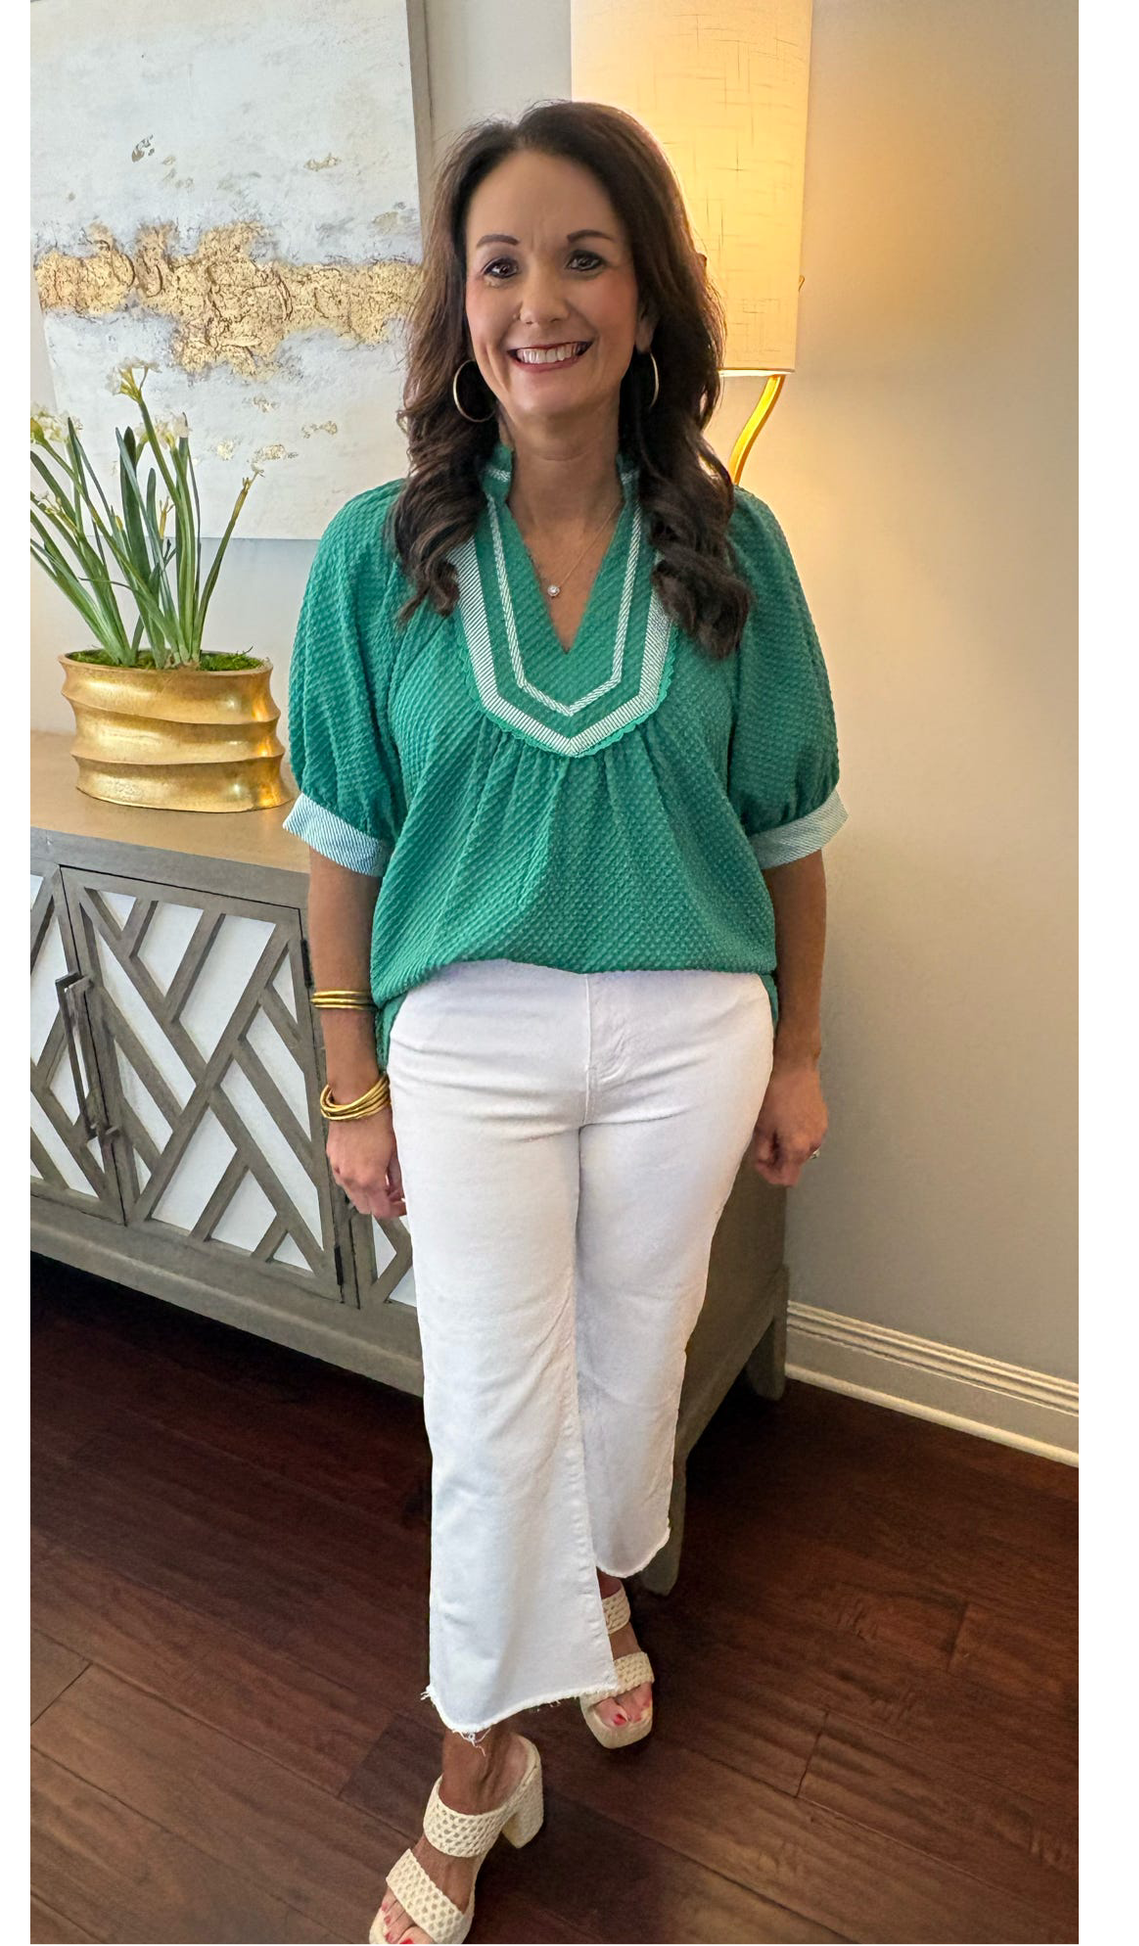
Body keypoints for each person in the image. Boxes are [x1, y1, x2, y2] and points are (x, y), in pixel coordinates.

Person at [280, 100, 848, 1946]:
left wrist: (804, 1048)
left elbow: (789, 843)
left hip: (692, 1029)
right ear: (459, 303)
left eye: (583, 256)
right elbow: (344, 854)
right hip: (468, 1043)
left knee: (632, 1362)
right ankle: (473, 1777)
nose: (540, 298)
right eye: (501, 260)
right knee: (488, 1416)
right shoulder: (379, 557)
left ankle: (601, 1588)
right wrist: (348, 1082)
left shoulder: (732, 548)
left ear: (645, 293)